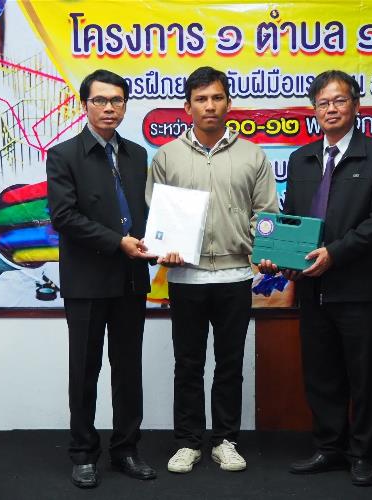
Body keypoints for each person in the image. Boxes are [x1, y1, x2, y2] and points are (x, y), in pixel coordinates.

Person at [262, 69, 372, 486]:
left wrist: (335, 254)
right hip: (311, 287)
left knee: (363, 374)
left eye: (340, 100)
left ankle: (363, 453)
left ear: (356, 105)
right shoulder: (301, 158)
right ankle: (329, 447)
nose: (331, 109)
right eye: (323, 103)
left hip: (356, 287)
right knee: (320, 372)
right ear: (314, 110)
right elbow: (293, 219)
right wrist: (282, 257)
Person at [146, 66, 278, 473]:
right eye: (201, 99)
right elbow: (155, 214)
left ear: (228, 104)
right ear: (187, 107)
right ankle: (188, 442)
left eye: (217, 98)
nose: (209, 106)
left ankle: (225, 440)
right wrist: (162, 248)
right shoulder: (166, 156)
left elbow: (266, 215)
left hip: (236, 276)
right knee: (187, 364)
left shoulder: (252, 155)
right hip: (185, 277)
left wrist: (267, 250)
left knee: (230, 364)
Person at [46, 69, 157, 489]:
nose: (109, 108)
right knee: (85, 371)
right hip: (87, 281)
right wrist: (117, 242)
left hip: (131, 279)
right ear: (84, 105)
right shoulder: (63, 156)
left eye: (117, 100)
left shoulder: (137, 154)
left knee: (128, 370)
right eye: (100, 100)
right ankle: (83, 454)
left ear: (125, 105)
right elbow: (64, 217)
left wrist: (160, 240)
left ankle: (126, 450)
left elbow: (145, 214)